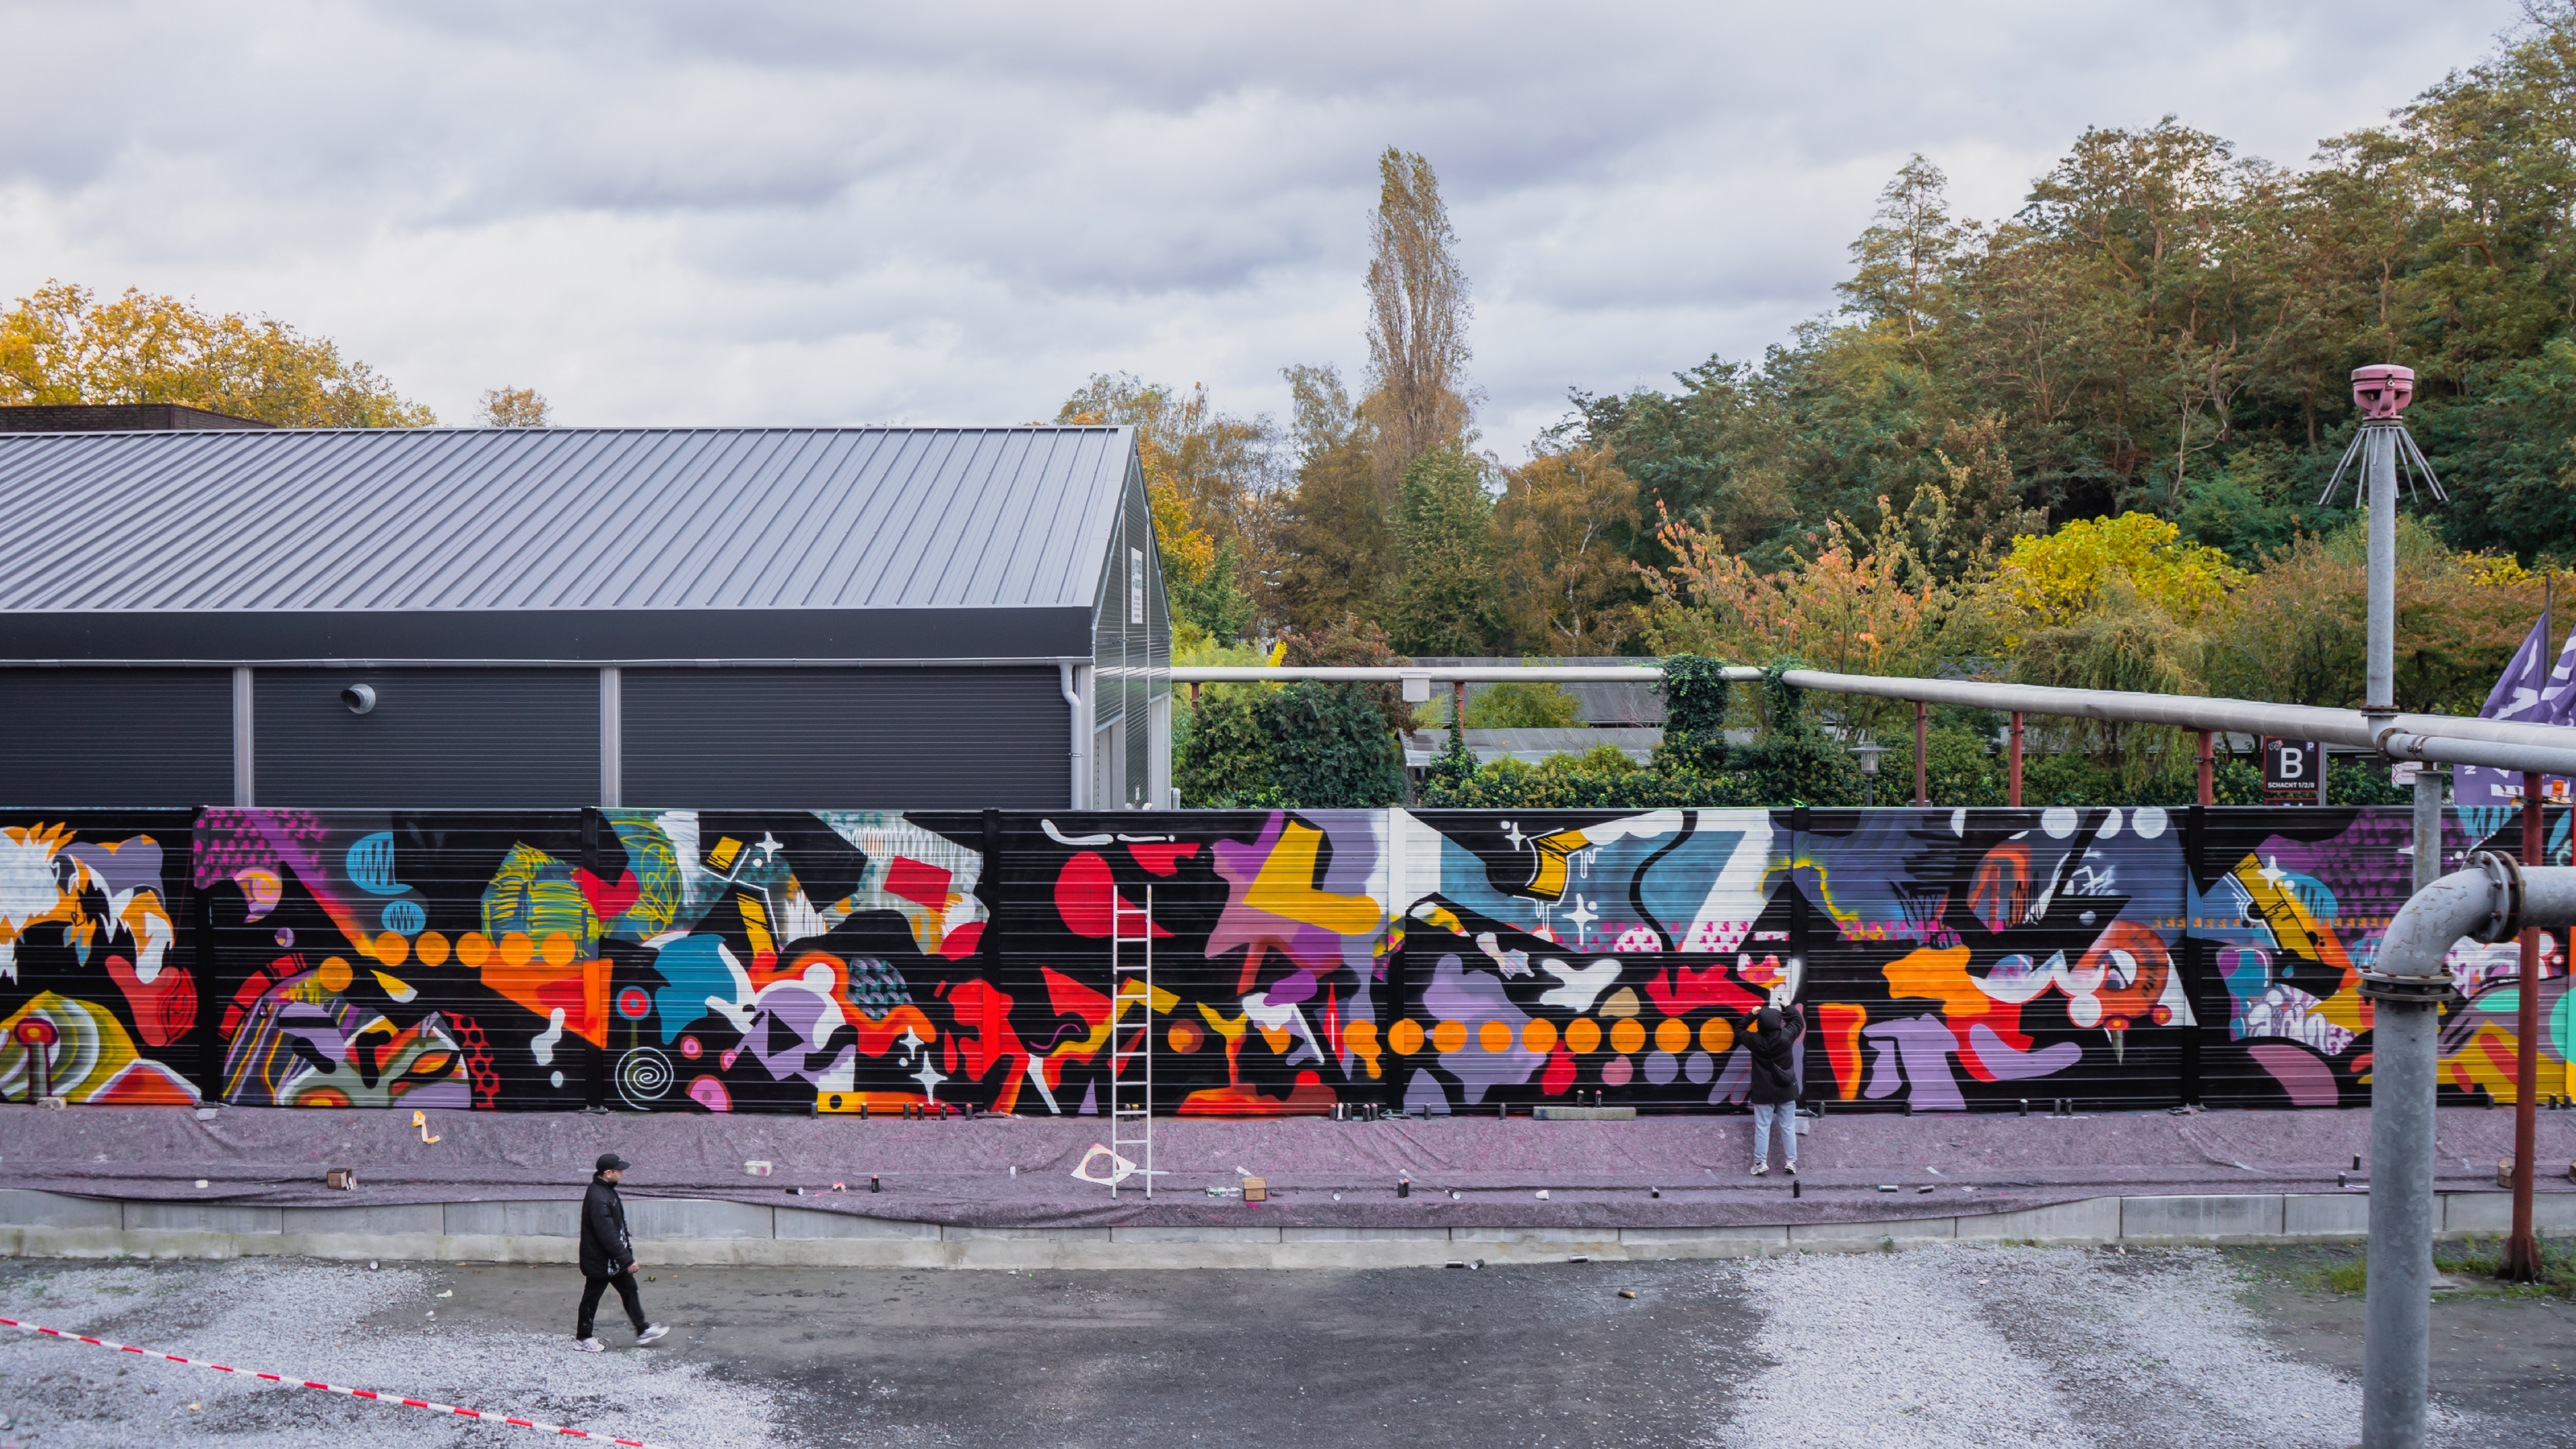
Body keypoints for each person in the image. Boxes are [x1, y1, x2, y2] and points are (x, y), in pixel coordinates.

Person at [575, 1152, 668, 1352]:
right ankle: (583, 1338)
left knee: (630, 1291)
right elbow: (607, 1235)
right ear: (608, 1173)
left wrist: (622, 1259)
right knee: (592, 1298)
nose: (623, 1174)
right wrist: (627, 1260)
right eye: (620, 1171)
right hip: (601, 1262)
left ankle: (643, 1330)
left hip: (613, 1261)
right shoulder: (599, 1197)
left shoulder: (606, 1190)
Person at [1745, 1000, 1806, 1177]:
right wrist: (1787, 1005)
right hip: (1786, 1091)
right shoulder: (1787, 1036)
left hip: (1764, 1093)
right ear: (1779, 1023)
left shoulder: (1755, 1040)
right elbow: (1798, 1022)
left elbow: (1739, 1031)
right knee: (1788, 1127)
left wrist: (1752, 1014)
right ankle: (1791, 1163)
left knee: (1763, 1127)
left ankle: (1760, 1163)